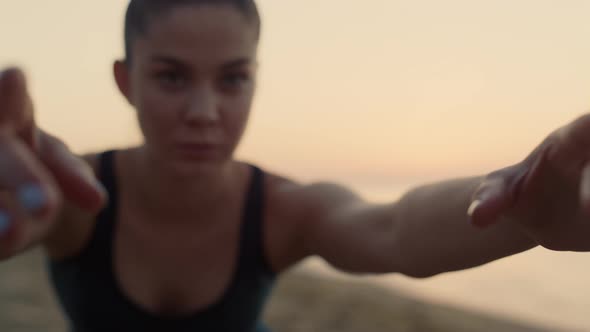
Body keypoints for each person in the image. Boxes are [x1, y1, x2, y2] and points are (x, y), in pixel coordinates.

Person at [0, 0, 590, 331]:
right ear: (126, 81)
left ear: (255, 81)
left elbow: (394, 229)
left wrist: (521, 212)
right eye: (171, 76)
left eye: (233, 79)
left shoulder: (283, 210)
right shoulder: (75, 194)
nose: (204, 112)